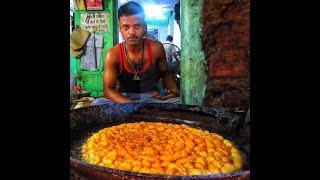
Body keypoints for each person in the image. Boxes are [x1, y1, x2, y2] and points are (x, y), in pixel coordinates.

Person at [92, 1, 180, 105]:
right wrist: (132, 106)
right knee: (97, 103)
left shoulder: (156, 48)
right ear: (120, 28)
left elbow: (165, 74)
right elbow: (108, 90)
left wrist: (174, 91)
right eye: (126, 27)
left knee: (179, 102)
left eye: (137, 26)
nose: (131, 32)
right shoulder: (113, 54)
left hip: (152, 97)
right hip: (124, 98)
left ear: (145, 27)